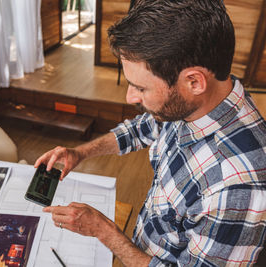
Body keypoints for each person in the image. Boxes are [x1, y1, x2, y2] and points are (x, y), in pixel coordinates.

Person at [34, 0, 266, 266]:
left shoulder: (237, 188)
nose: (130, 96)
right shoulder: (200, 98)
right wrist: (81, 152)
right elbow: (142, 128)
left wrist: (103, 231)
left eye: (141, 88)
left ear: (194, 81)